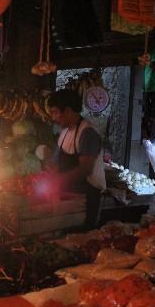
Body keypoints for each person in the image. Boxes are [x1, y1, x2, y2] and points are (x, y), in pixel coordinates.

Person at [47, 89, 106, 229]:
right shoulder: (65, 132)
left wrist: (58, 180)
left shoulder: (87, 133)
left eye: (55, 112)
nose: (53, 117)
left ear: (67, 110)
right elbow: (54, 162)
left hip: (86, 200)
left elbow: (85, 169)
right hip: (69, 199)